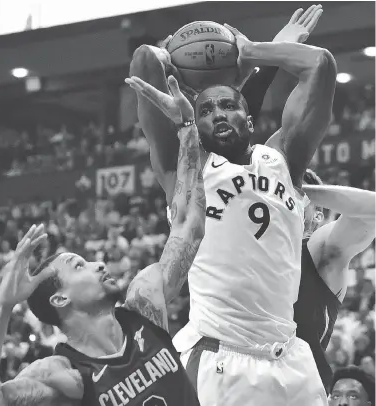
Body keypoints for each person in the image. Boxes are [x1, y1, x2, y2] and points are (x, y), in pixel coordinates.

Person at [126, 6, 337, 405]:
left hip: (291, 358)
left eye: (227, 105)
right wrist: (173, 54)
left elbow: (321, 67)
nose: (217, 114)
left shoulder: (283, 159)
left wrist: (253, 52)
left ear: (250, 118)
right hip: (220, 356)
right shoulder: (186, 168)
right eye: (205, 110)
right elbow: (144, 61)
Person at [0, 83, 206, 406]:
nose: (98, 263)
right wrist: (0, 305)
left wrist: (187, 130)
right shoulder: (62, 375)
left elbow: (189, 225)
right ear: (60, 298)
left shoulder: (144, 304)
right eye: (79, 265)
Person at [294, 169, 376, 394]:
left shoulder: (317, 249)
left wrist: (294, 190)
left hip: (298, 389)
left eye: (300, 201)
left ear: (317, 217)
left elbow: (373, 209)